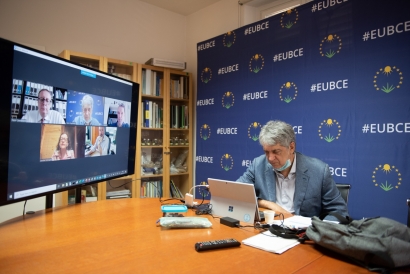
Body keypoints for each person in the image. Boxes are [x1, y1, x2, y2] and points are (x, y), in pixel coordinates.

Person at [237, 120, 348, 218]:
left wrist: (317, 230)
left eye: (276, 152)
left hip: (303, 235)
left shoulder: (319, 170)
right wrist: (268, 204)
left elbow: (339, 212)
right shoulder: (258, 165)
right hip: (268, 230)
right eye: (266, 152)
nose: (270, 158)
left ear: (291, 147)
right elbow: (236, 192)